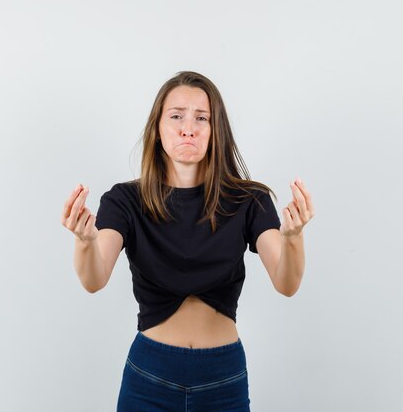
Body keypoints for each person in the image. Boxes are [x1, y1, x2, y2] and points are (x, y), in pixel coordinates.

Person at [60, 71, 315, 412]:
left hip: (222, 376)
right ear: (157, 129)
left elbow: (286, 283)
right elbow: (94, 279)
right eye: (177, 116)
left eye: (201, 118)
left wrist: (294, 237)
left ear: (215, 130)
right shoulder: (124, 200)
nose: (188, 128)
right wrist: (85, 240)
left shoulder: (249, 200)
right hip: (150, 374)